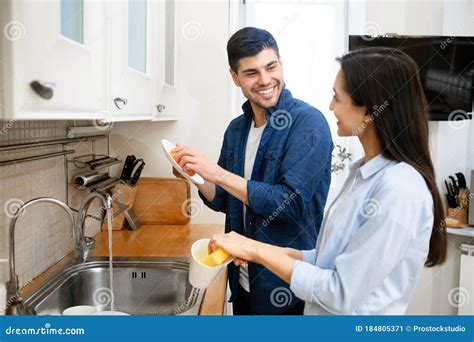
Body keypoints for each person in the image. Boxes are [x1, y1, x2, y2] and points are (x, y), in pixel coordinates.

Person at [208, 47, 448, 315]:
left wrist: (257, 251)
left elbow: (340, 292)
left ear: (368, 110)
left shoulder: (399, 189)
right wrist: (253, 249)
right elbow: (326, 259)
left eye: (337, 97)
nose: (331, 106)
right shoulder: (363, 173)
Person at [172, 27, 333, 315]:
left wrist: (216, 172)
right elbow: (224, 199)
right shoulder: (236, 129)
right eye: (251, 73)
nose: (265, 80)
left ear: (281, 64)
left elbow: (291, 204)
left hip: (287, 288)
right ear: (235, 77)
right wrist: (195, 175)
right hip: (242, 281)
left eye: (270, 67)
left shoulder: (308, 123)